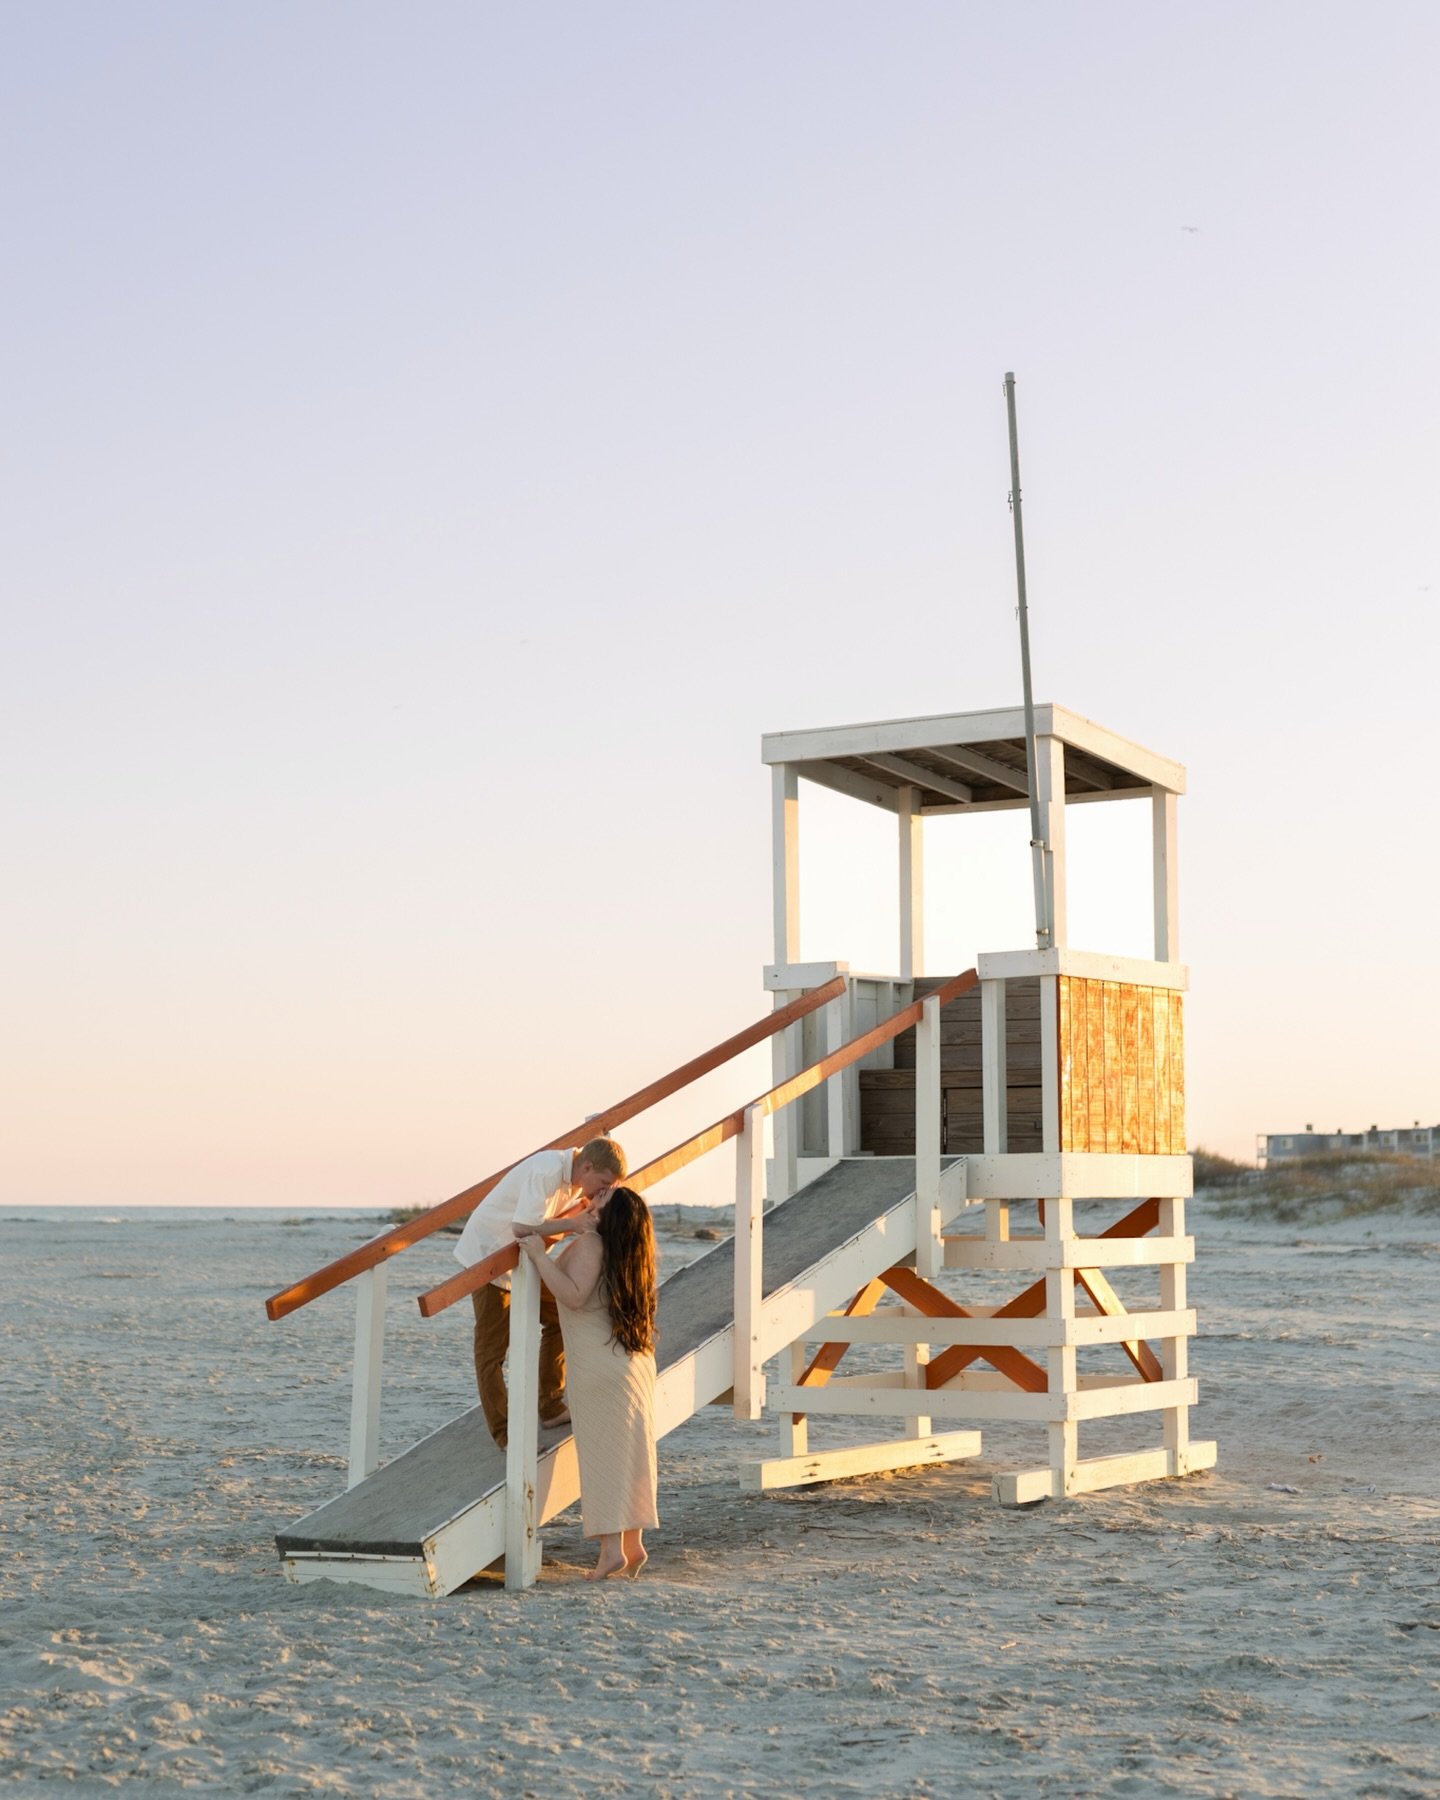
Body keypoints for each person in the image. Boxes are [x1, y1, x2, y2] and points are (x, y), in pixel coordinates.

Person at [516, 1185, 658, 1580]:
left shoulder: (594, 1244)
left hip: (599, 1369)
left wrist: (539, 1255)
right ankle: (633, 1545)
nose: (592, 1202)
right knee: (631, 1459)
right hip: (633, 1364)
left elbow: (575, 1296)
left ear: (609, 1216)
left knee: (604, 1462)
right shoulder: (629, 1251)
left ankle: (611, 1551)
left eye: (601, 1200)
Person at [453, 1137, 626, 1450]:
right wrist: (573, 1223)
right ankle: (506, 1435)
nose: (602, 1191)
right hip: (489, 1256)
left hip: (524, 1258)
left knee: (561, 1315)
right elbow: (521, 1226)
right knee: (491, 1352)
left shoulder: (577, 1177)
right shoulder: (547, 1171)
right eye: (602, 1183)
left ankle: (549, 1406)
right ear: (586, 1167)